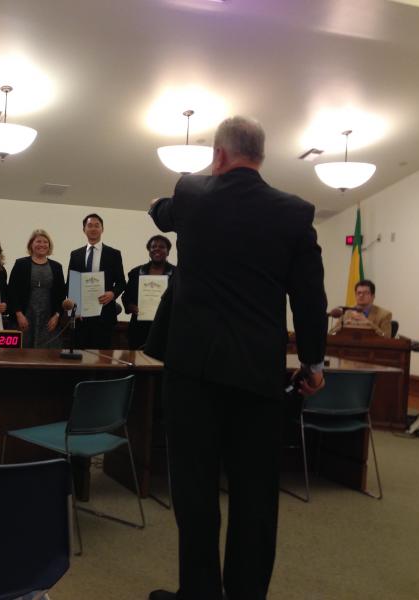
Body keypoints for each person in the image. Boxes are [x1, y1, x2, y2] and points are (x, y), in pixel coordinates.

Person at [147, 116, 327, 600]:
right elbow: (310, 297)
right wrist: (313, 364)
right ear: (262, 157)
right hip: (257, 373)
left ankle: (199, 594)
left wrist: (165, 203)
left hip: (193, 373)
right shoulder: (294, 212)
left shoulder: (193, 193)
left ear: (220, 155)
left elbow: (159, 212)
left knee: (195, 491)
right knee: (256, 495)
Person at [66, 213, 126, 349]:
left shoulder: (114, 254)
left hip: (104, 314)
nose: (93, 228)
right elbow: (72, 283)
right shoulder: (76, 254)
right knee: (81, 355)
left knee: (103, 358)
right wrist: (75, 311)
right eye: (89, 225)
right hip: (81, 315)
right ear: (84, 230)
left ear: (102, 229)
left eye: (97, 225)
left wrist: (112, 294)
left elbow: (122, 282)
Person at [7, 229, 65, 349]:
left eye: (45, 242)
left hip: (48, 317)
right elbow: (12, 291)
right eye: (38, 241)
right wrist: (18, 314)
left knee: (47, 353)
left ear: (49, 246)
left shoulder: (57, 267)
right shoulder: (21, 264)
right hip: (25, 315)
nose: (42, 245)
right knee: (22, 354)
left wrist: (57, 316)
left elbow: (61, 294)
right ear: (31, 244)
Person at [122, 235, 175, 349]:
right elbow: (126, 297)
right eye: (153, 246)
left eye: (162, 247)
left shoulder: (176, 274)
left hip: (166, 328)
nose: (157, 249)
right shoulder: (136, 272)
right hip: (139, 328)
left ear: (168, 252)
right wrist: (131, 306)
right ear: (149, 251)